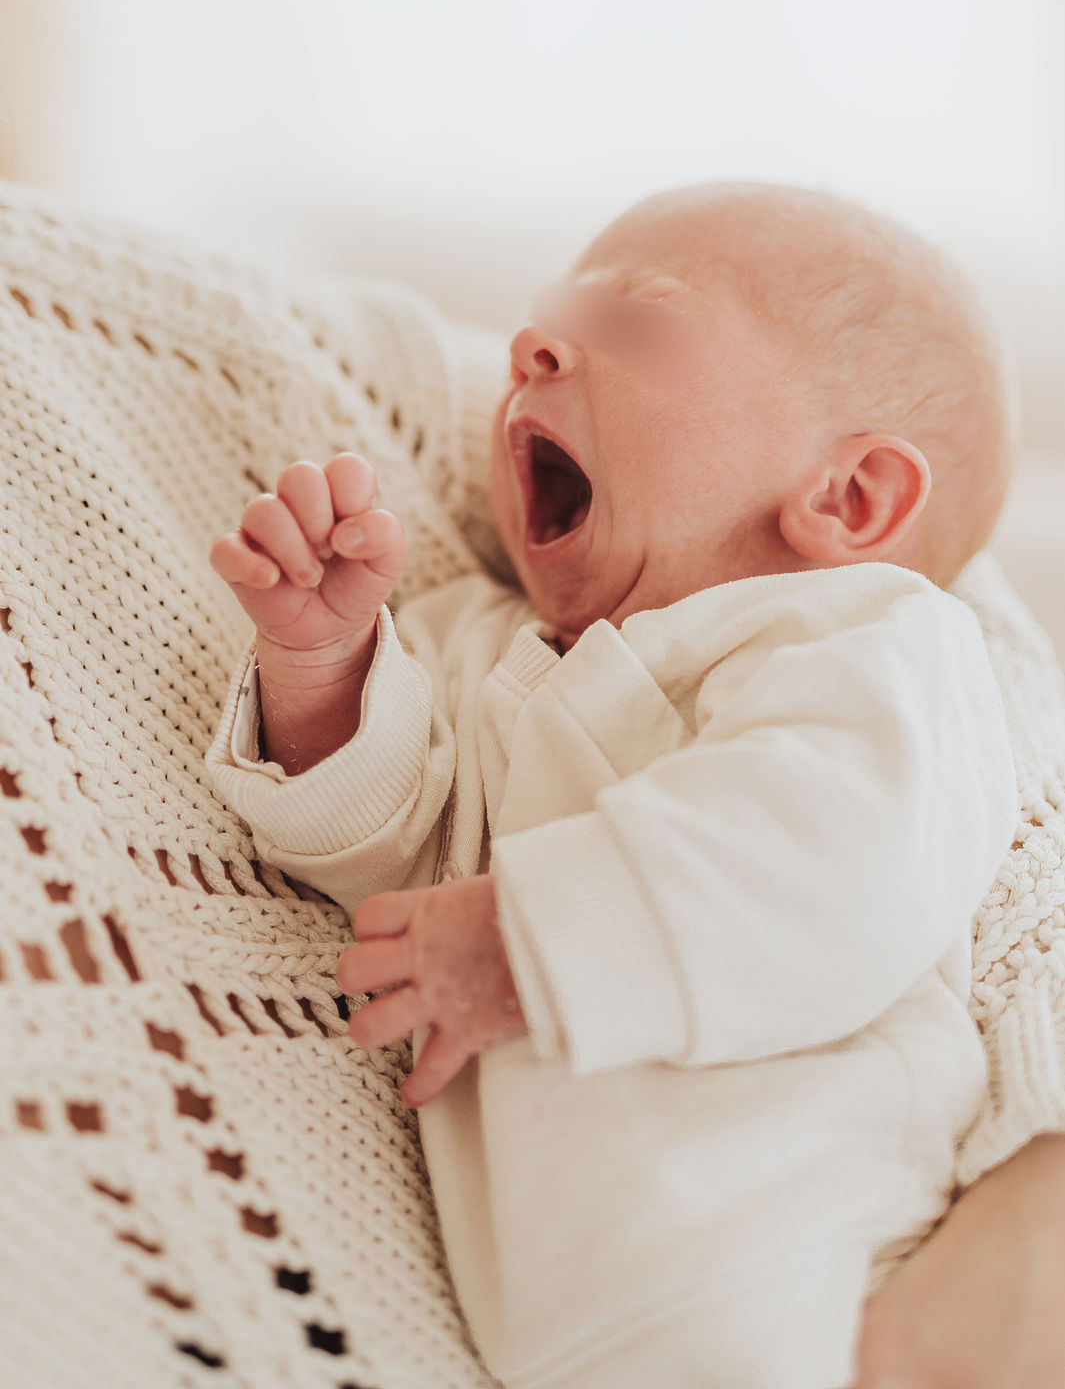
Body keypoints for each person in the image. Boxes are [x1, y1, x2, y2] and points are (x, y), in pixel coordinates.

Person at [206, 182, 1019, 1388]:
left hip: (816, 1264)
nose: (532, 352)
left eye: (636, 322)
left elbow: (835, 860)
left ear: (847, 499)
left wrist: (529, 941)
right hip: (557, 1331)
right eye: (544, 323)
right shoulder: (482, 646)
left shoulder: (869, 640)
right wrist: (322, 667)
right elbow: (395, 862)